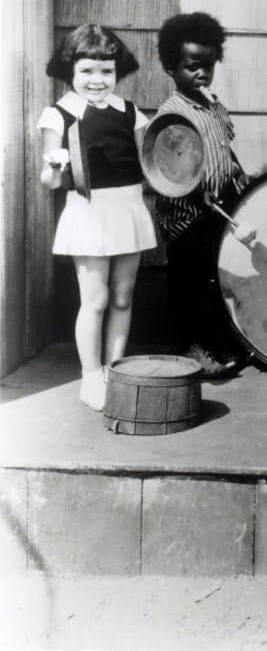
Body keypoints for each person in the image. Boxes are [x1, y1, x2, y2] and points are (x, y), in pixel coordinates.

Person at [38, 25, 157, 410]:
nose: (97, 79)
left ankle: (113, 371)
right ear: (69, 70)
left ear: (117, 72)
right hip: (89, 214)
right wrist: (55, 167)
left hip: (129, 208)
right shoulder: (59, 114)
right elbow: (50, 180)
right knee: (95, 299)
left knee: (122, 297)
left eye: (106, 71)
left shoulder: (129, 112)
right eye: (87, 70)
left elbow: (153, 162)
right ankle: (90, 377)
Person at [150, 12, 252, 374]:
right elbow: (163, 167)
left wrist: (239, 175)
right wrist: (194, 194)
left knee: (214, 278)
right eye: (192, 66)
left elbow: (224, 148)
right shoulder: (171, 115)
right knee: (188, 281)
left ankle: (217, 341)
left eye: (208, 65)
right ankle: (190, 347)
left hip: (218, 208)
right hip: (187, 215)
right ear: (171, 67)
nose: (202, 73)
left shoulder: (214, 106)